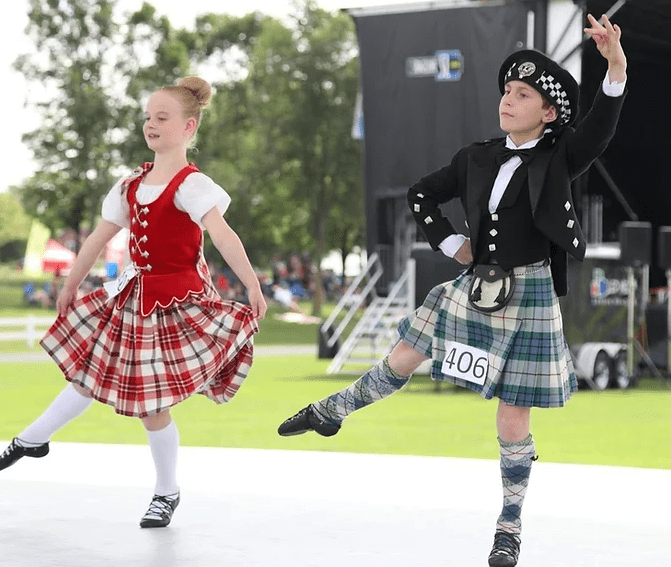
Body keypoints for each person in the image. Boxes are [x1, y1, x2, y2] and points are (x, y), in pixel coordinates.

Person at [278, 14, 626, 567]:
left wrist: (615, 66)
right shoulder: (477, 156)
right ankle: (332, 410)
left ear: (549, 112)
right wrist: (450, 243)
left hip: (531, 292)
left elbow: (601, 127)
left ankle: (508, 527)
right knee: (404, 354)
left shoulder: (561, 156)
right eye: (506, 91)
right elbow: (421, 194)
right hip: (476, 284)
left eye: (523, 94)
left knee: (513, 418)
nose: (508, 99)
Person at [0, 76, 267, 529]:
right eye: (147, 117)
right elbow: (97, 238)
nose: (150, 124)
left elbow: (224, 236)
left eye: (162, 117)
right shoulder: (130, 185)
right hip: (132, 298)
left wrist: (253, 286)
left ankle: (166, 492)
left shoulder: (191, 185)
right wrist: (71, 283)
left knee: (151, 404)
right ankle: (31, 439)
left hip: (175, 302)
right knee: (89, 374)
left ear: (188, 127)